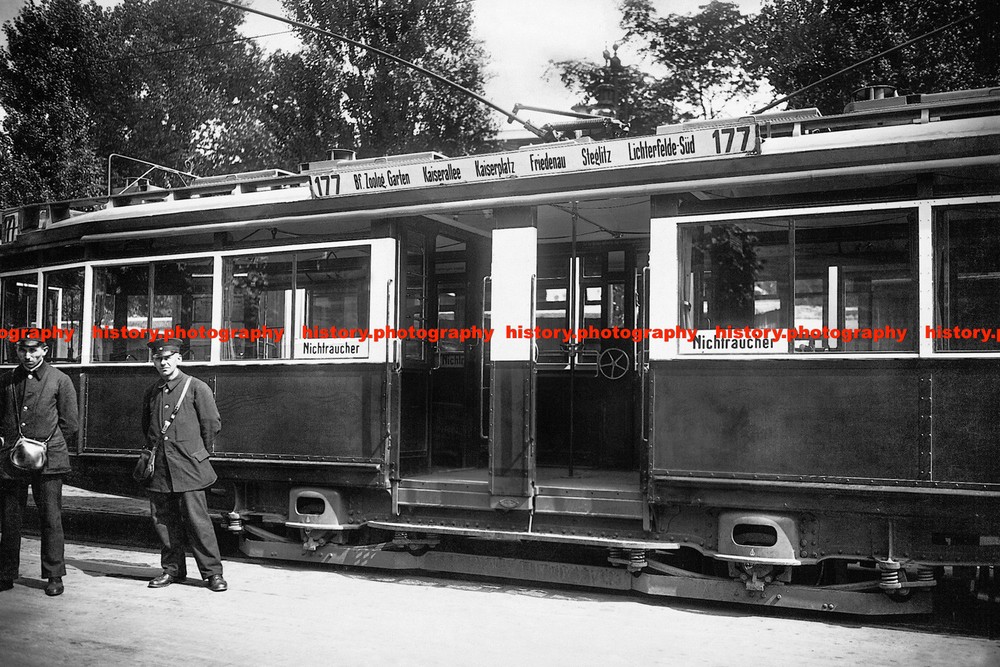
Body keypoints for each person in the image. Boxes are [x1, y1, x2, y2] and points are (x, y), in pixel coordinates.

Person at [142, 340, 228, 592]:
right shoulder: (152, 392)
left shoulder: (196, 388)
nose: (163, 363)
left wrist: (196, 452)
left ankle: (212, 574)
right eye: (158, 359)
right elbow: (147, 427)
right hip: (160, 467)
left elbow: (211, 424)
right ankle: (172, 569)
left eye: (168, 357)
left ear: (179, 358)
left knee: (197, 521)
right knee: (164, 521)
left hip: (190, 466)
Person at [0, 336, 79, 596]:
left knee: (50, 518)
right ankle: (6, 573)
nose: (28, 356)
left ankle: (54, 575)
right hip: (13, 460)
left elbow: (70, 423)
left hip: (49, 461)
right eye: (23, 350)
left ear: (44, 350)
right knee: (10, 519)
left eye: (34, 350)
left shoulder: (59, 380)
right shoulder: (8, 379)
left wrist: (44, 445)